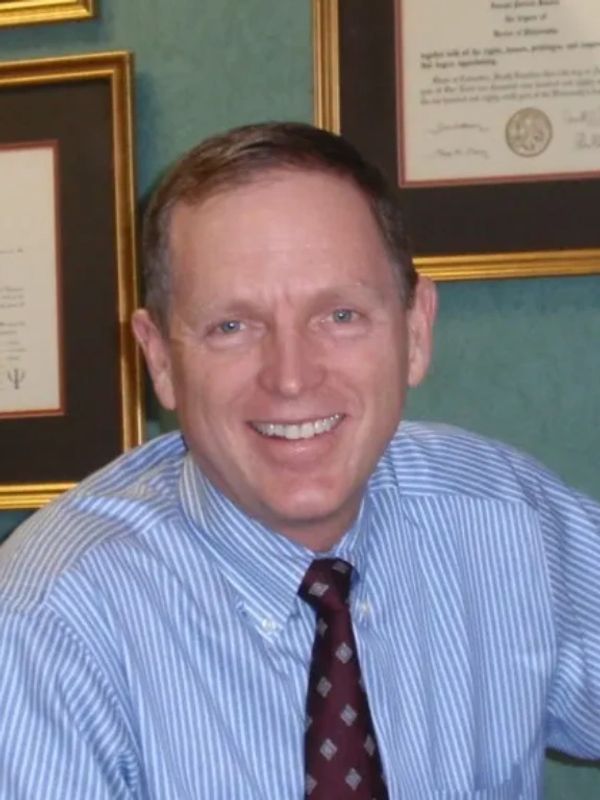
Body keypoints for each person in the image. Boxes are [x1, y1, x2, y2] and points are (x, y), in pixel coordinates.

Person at [0, 121, 599, 799]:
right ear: (160, 358)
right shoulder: (46, 624)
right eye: (232, 326)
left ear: (415, 331)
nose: (291, 376)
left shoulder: (510, 521)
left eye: (340, 315)